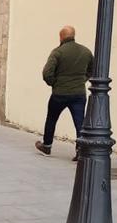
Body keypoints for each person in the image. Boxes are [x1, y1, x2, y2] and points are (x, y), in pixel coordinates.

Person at [35, 25, 93, 159]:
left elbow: (47, 73)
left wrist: (54, 83)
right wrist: (83, 80)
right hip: (79, 93)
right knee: (79, 122)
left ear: (61, 37)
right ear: (74, 35)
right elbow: (92, 69)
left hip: (59, 94)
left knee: (51, 119)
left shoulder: (58, 52)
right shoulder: (86, 51)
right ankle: (81, 150)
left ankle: (47, 145)